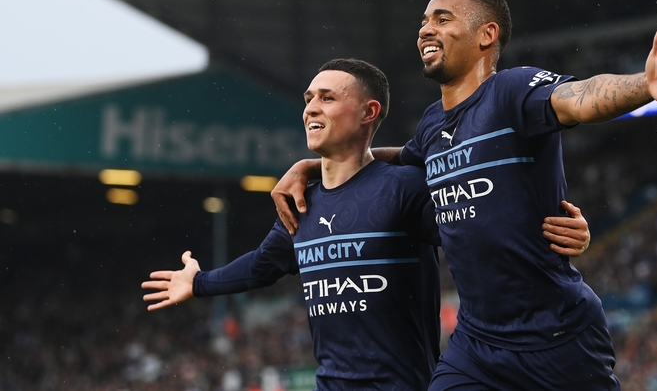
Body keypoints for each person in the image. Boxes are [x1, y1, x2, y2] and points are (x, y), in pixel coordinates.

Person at [271, 0, 657, 390]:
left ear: (486, 35)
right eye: (423, 21)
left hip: (556, 334)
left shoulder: (510, 91)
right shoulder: (432, 124)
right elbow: (392, 160)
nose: (425, 29)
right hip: (477, 343)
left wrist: (642, 85)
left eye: (442, 18)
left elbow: (576, 98)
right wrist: (315, 165)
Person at [142, 58, 592, 390]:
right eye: (308, 99)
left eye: (327, 97)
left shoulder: (405, 188)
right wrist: (199, 283)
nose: (310, 108)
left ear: (368, 113)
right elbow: (263, 265)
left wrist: (557, 228)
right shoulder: (302, 201)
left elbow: (475, 226)